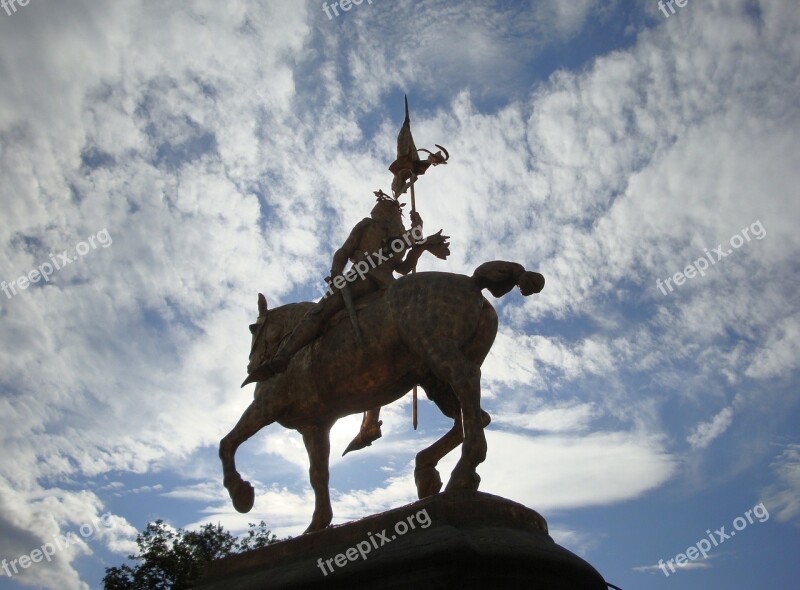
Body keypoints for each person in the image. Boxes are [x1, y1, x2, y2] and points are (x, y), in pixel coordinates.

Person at [244, 191, 449, 452]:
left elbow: (344, 252)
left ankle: (283, 357)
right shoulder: (395, 240)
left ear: (380, 212)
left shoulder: (370, 226)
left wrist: (335, 275)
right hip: (387, 288)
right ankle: (371, 420)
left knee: (317, 314)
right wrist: (417, 234)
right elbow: (404, 267)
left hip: (360, 281)